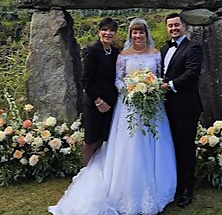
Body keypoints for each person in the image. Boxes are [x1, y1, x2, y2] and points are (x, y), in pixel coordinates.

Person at [48, 18, 176, 215]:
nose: (138, 35)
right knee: (127, 145)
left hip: (152, 105)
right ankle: (113, 181)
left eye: (141, 32)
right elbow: (118, 79)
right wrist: (130, 91)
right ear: (130, 34)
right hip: (129, 105)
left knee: (153, 143)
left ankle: (157, 183)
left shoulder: (155, 54)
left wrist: (151, 90)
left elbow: (159, 77)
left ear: (146, 34)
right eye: (134, 32)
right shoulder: (122, 55)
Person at [161, 13, 203, 208]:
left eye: (176, 25)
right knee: (170, 147)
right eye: (170, 26)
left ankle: (187, 188)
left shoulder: (193, 47)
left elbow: (192, 74)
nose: (173, 29)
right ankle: (174, 184)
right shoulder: (164, 49)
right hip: (165, 108)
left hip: (186, 107)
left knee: (185, 148)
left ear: (184, 26)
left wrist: (169, 85)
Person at [81, 17, 119, 165]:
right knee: (91, 140)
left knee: (103, 138)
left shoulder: (115, 52)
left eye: (111, 30)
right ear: (99, 32)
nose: (108, 33)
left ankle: (97, 171)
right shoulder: (92, 51)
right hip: (95, 103)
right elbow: (86, 79)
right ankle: (85, 173)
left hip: (110, 103)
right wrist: (98, 101)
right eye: (104, 29)